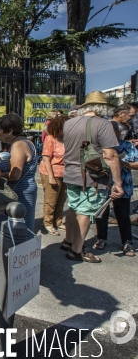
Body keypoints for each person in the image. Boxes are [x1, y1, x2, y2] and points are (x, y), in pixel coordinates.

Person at [62, 91, 122, 263]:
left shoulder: (69, 123)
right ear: (102, 107)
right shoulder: (103, 124)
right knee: (86, 212)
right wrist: (118, 182)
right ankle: (77, 250)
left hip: (71, 172)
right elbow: (110, 156)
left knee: (73, 207)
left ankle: (69, 241)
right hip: (92, 176)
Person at [93, 121, 135, 256]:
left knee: (123, 215)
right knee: (102, 214)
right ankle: (101, 238)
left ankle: (127, 242)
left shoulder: (127, 146)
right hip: (104, 184)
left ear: (118, 133)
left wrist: (119, 162)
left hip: (123, 185)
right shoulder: (100, 146)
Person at [0, 113, 38, 241]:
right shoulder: (26, 142)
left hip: (19, 192)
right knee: (21, 227)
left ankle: (14, 258)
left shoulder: (18, 145)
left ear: (10, 131)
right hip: (24, 189)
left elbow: (15, 175)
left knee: (16, 229)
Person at [38, 115, 69, 236]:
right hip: (51, 172)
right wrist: (51, 177)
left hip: (64, 173)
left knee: (61, 200)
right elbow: (46, 158)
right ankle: (48, 223)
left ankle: (58, 220)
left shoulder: (67, 138)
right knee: (51, 200)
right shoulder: (51, 138)